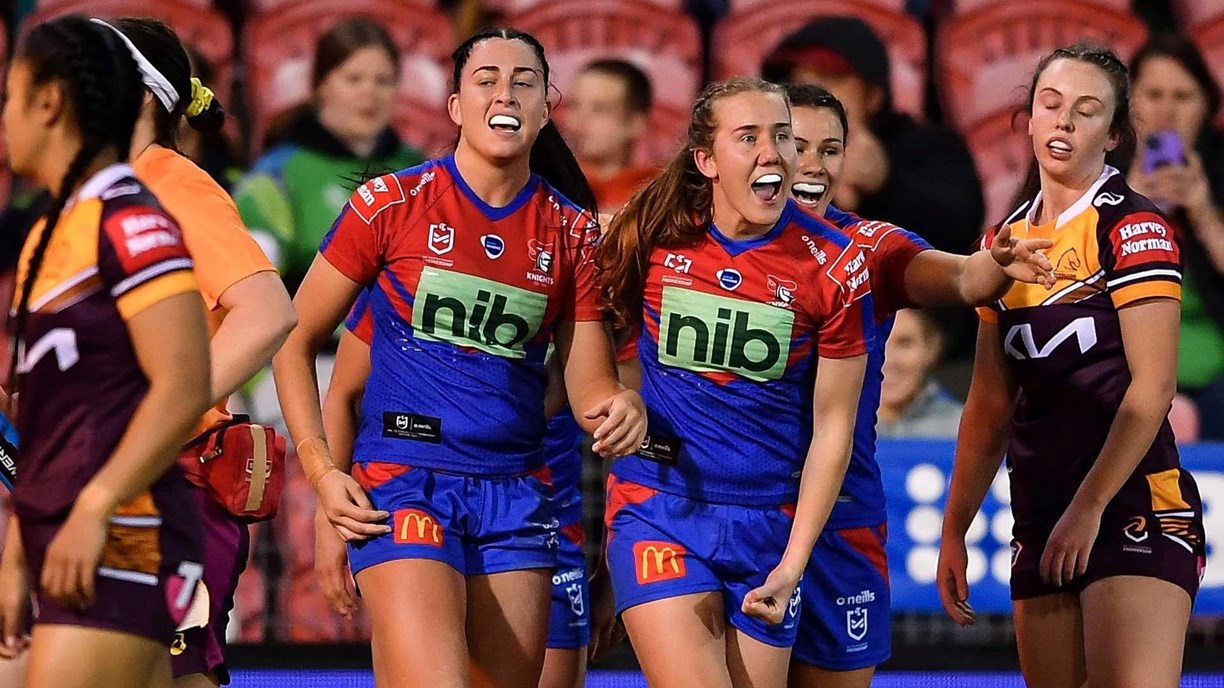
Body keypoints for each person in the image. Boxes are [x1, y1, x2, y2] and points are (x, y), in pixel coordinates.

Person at [272, 26, 646, 688]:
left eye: (524, 81)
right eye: (486, 80)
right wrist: (324, 476)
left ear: (544, 107)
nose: (506, 92)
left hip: (518, 493)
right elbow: (292, 340)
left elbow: (589, 385)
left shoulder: (572, 231)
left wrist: (621, 406)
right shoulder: (390, 203)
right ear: (454, 107)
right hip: (404, 480)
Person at [938, 43, 1206, 688]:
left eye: (1086, 112)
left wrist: (1087, 511)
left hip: (1132, 500)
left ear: (1113, 135)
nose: (1062, 123)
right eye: (1050, 106)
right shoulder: (1001, 244)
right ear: (1027, 119)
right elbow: (988, 405)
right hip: (1039, 508)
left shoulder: (1132, 226)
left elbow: (1152, 391)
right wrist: (955, 530)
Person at [594, 76, 872, 688]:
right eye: (748, 138)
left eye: (780, 137)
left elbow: (834, 426)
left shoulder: (836, 264)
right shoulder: (654, 236)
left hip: (769, 526)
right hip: (657, 507)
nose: (772, 153)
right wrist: (621, 396)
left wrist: (794, 564)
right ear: (706, 160)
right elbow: (591, 332)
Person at [779, 83, 1052, 688]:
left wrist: (992, 264)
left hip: (844, 524)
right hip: (750, 519)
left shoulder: (869, 247)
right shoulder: (694, 243)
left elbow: (959, 279)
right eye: (794, 145)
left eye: (830, 149)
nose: (814, 165)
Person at [0, 15, 213, 688]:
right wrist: (13, 559)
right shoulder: (53, 232)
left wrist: (95, 508)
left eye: (9, 96)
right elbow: (43, 424)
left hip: (127, 530)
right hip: (62, 531)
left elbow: (183, 385)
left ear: (50, 102)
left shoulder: (132, 219)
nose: (2, 116)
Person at [112, 17, 297, 688]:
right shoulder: (93, 197)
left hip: (174, 492)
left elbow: (268, 312)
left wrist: (161, 419)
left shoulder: (173, 183)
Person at [318, 292, 591, 688]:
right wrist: (326, 505)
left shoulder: (579, 259)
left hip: (537, 513)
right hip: (414, 489)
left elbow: (623, 384)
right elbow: (342, 388)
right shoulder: (413, 257)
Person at [233, 16, 425, 294]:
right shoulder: (277, 172)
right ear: (322, 85)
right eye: (354, 79)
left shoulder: (418, 169)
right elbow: (254, 280)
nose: (369, 93)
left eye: (383, 80)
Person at [1116, 34, 1224, 441]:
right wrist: (1130, 201)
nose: (1166, 113)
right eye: (1153, 95)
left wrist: (1203, 214)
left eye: (1183, 97)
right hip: (1118, 352)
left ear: (1206, 106)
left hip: (1213, 359)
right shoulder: (1096, 166)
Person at [560, 59, 658, 214]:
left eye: (599, 109)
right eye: (574, 105)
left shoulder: (660, 196)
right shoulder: (546, 186)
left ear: (635, 122)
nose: (580, 119)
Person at [877, 309, 963, 438]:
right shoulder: (836, 429)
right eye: (875, 344)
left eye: (904, 343)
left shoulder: (963, 429)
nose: (888, 360)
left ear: (931, 348)